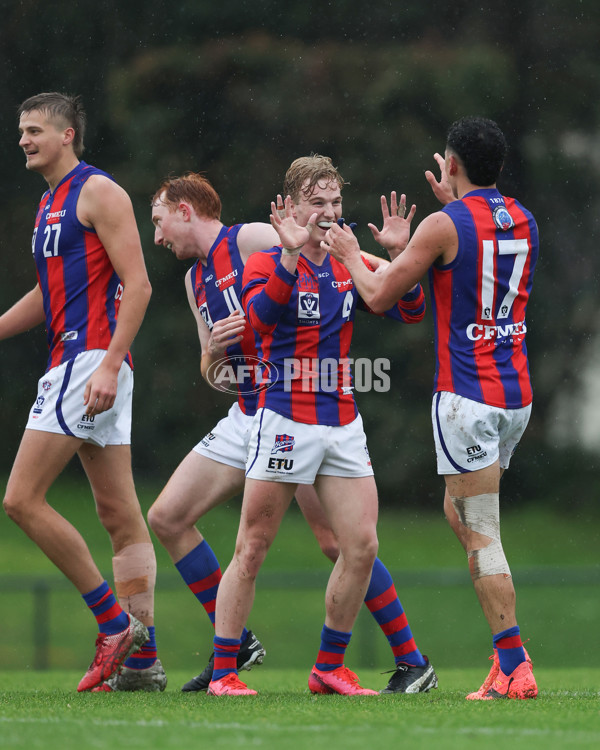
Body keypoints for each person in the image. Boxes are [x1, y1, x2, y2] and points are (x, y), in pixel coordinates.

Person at [149, 171, 437, 694]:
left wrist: (394, 261)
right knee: (200, 527)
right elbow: (226, 355)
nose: (328, 211)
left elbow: (402, 304)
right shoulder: (210, 275)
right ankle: (229, 658)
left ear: (185, 210)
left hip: (325, 413)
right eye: (318, 201)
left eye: (335, 200)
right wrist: (217, 348)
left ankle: (389, 660)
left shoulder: (260, 237)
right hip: (265, 410)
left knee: (349, 544)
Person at [324, 117, 539, 700]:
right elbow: (471, 264)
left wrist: (348, 252)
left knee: (481, 535)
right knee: (461, 514)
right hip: (515, 396)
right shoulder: (522, 216)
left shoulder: (445, 226)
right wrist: (411, 245)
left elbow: (378, 295)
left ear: (451, 165)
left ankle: (514, 667)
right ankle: (508, 657)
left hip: (468, 397)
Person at [1, 92, 166, 693]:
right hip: (85, 363)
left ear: (68, 134)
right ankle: (143, 666)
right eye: (20, 131)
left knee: (20, 499)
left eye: (35, 130)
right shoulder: (49, 203)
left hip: (92, 360)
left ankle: (113, 625)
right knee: (119, 515)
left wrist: (109, 365)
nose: (24, 139)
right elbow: (49, 294)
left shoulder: (99, 191)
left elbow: (140, 285)